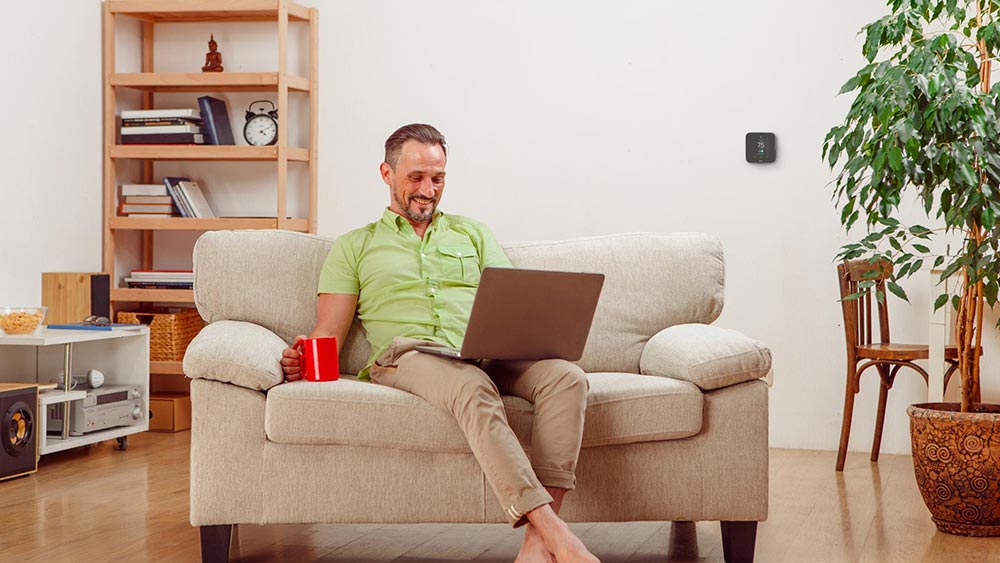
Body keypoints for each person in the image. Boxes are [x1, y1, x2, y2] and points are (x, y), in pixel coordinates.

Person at [281, 124, 599, 563]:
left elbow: (513, 301)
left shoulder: (473, 234)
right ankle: (558, 537)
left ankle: (536, 543)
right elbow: (327, 336)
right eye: (416, 177)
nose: (428, 190)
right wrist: (302, 358)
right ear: (386, 174)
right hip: (409, 356)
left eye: (438, 178)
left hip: (488, 350)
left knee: (566, 378)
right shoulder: (355, 247)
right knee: (471, 387)